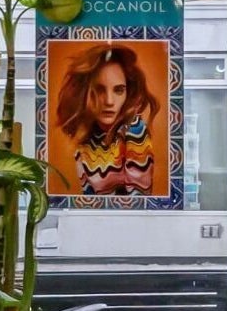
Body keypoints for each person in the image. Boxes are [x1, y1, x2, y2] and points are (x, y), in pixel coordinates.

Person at [54, 43, 161, 197]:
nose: (109, 101)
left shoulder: (134, 130)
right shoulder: (83, 139)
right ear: (84, 93)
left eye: (119, 90)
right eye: (99, 90)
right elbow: (89, 199)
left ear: (127, 93)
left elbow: (139, 201)